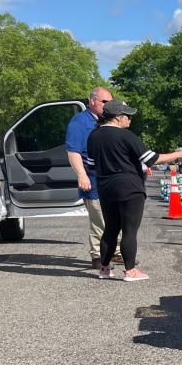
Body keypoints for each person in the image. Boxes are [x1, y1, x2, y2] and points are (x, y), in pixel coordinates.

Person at [86, 100, 182, 281]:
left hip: (105, 188)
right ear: (118, 118)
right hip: (130, 188)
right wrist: (179, 154)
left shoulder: (93, 136)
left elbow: (91, 165)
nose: (130, 120)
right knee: (129, 230)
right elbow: (152, 159)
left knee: (110, 229)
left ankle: (104, 268)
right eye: (128, 116)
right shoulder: (127, 136)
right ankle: (130, 271)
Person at [66, 86, 121, 268]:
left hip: (110, 179)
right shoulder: (79, 122)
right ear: (91, 101)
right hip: (93, 179)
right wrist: (82, 175)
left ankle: (116, 251)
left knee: (114, 217)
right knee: (99, 219)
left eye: (109, 102)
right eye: (103, 101)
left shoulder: (107, 121)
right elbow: (73, 152)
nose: (107, 105)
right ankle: (97, 255)